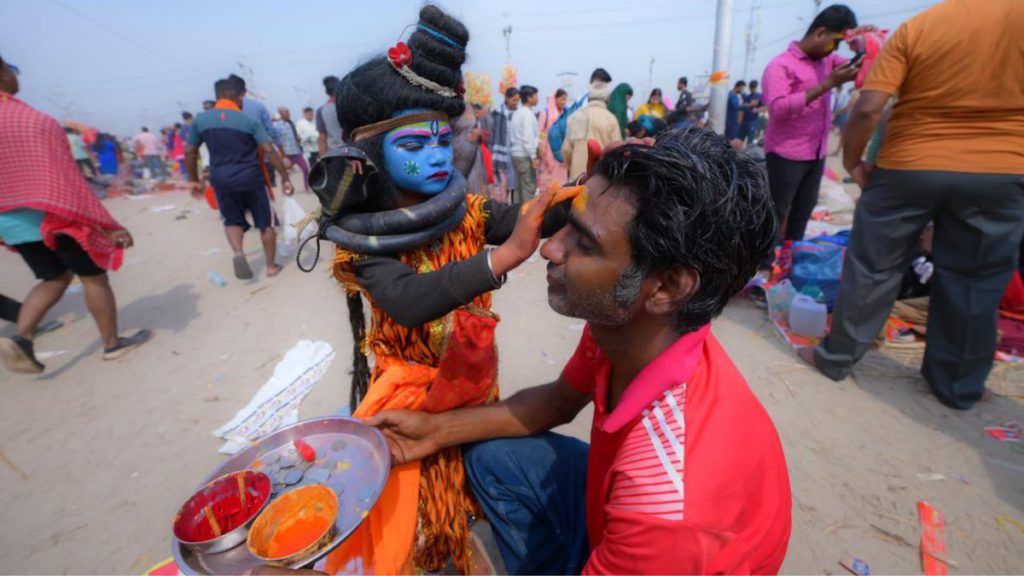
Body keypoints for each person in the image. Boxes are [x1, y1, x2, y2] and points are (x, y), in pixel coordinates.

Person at [367, 129, 790, 574]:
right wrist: (433, 430)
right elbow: (555, 403)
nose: (550, 247)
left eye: (585, 244)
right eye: (566, 224)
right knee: (490, 457)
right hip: (623, 518)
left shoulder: (664, 504)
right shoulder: (632, 326)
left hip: (661, 547)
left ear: (667, 285)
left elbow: (662, 511)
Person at [306, 6, 575, 572]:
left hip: (474, 384)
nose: (436, 155)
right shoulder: (363, 246)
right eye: (413, 145)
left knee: (474, 475)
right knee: (424, 508)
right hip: (414, 398)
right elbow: (408, 302)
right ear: (373, 155)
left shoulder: (468, 211)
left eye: (440, 139)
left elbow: (530, 217)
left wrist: (589, 188)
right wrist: (501, 259)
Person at [800, 0, 1024, 411]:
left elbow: (869, 107)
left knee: (873, 266)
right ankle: (957, 384)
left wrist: (853, 162)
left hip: (910, 164)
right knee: (975, 279)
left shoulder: (920, 27)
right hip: (1002, 167)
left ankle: (838, 358)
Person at [0, 56, 152, 373]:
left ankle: (23, 338)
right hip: (52, 216)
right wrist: (107, 225)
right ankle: (111, 344)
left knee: (52, 277)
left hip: (9, 220)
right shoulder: (33, 121)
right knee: (93, 278)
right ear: (3, 74)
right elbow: (67, 180)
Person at [761, 4, 862, 248]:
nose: (836, 50)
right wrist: (826, 85)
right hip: (786, 153)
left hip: (815, 153)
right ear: (820, 33)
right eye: (835, 42)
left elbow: (859, 67)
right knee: (778, 211)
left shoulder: (826, 61)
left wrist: (861, 44)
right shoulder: (781, 66)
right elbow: (778, 109)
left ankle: (791, 255)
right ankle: (765, 263)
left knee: (802, 212)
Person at [185, 78, 293, 280]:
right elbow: (269, 150)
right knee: (266, 223)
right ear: (239, 96)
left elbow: (190, 151)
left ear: (217, 97)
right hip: (252, 178)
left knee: (232, 220)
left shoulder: (201, 120)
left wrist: (193, 179)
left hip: (222, 180)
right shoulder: (249, 121)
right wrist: (285, 177)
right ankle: (270, 266)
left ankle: (238, 252)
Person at [563, 79, 621, 181]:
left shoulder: (575, 116)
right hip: (601, 179)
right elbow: (617, 151)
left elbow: (566, 149)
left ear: (589, 98)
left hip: (577, 179)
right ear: (607, 99)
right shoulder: (610, 118)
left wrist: (571, 167)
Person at [228, 74, 276, 186]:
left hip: (233, 167)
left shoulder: (218, 113)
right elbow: (271, 132)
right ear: (244, 91)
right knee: (264, 195)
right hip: (261, 161)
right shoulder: (258, 107)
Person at [488, 87, 519, 203]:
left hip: (514, 154)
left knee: (513, 185)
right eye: (513, 100)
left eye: (517, 100)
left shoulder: (518, 114)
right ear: (506, 98)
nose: (516, 103)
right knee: (500, 184)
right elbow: (492, 134)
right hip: (499, 156)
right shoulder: (496, 114)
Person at [510, 84, 540, 203]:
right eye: (536, 96)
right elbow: (527, 137)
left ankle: (516, 217)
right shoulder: (527, 114)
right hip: (524, 156)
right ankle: (527, 219)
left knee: (518, 190)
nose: (537, 98)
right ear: (529, 98)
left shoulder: (517, 112)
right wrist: (533, 156)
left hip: (516, 155)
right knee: (528, 190)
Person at [273, 107, 311, 193]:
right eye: (285, 112)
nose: (288, 114)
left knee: (305, 169)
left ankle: (307, 187)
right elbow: (276, 141)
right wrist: (282, 156)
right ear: (280, 114)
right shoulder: (277, 125)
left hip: (297, 152)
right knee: (284, 173)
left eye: (288, 112)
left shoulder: (291, 123)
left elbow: (295, 137)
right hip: (286, 154)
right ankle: (286, 190)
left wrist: (298, 139)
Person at [537, 88, 568, 191]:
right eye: (561, 99)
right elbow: (540, 132)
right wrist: (541, 146)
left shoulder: (565, 114)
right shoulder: (545, 113)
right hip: (547, 153)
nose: (564, 102)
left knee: (561, 184)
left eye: (565, 99)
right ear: (555, 99)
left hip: (561, 153)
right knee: (547, 184)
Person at [316, 75, 345, 155]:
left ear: (327, 92)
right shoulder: (347, 106)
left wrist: (322, 158)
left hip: (334, 153)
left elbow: (322, 138)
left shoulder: (321, 111)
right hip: (353, 153)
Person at [743, 80, 764, 144]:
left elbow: (765, 107)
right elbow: (743, 106)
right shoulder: (746, 97)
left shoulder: (759, 96)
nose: (752, 88)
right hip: (744, 121)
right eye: (751, 87)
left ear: (756, 87)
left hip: (753, 121)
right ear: (749, 87)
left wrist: (757, 110)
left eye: (754, 87)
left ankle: (749, 153)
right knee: (741, 139)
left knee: (750, 139)